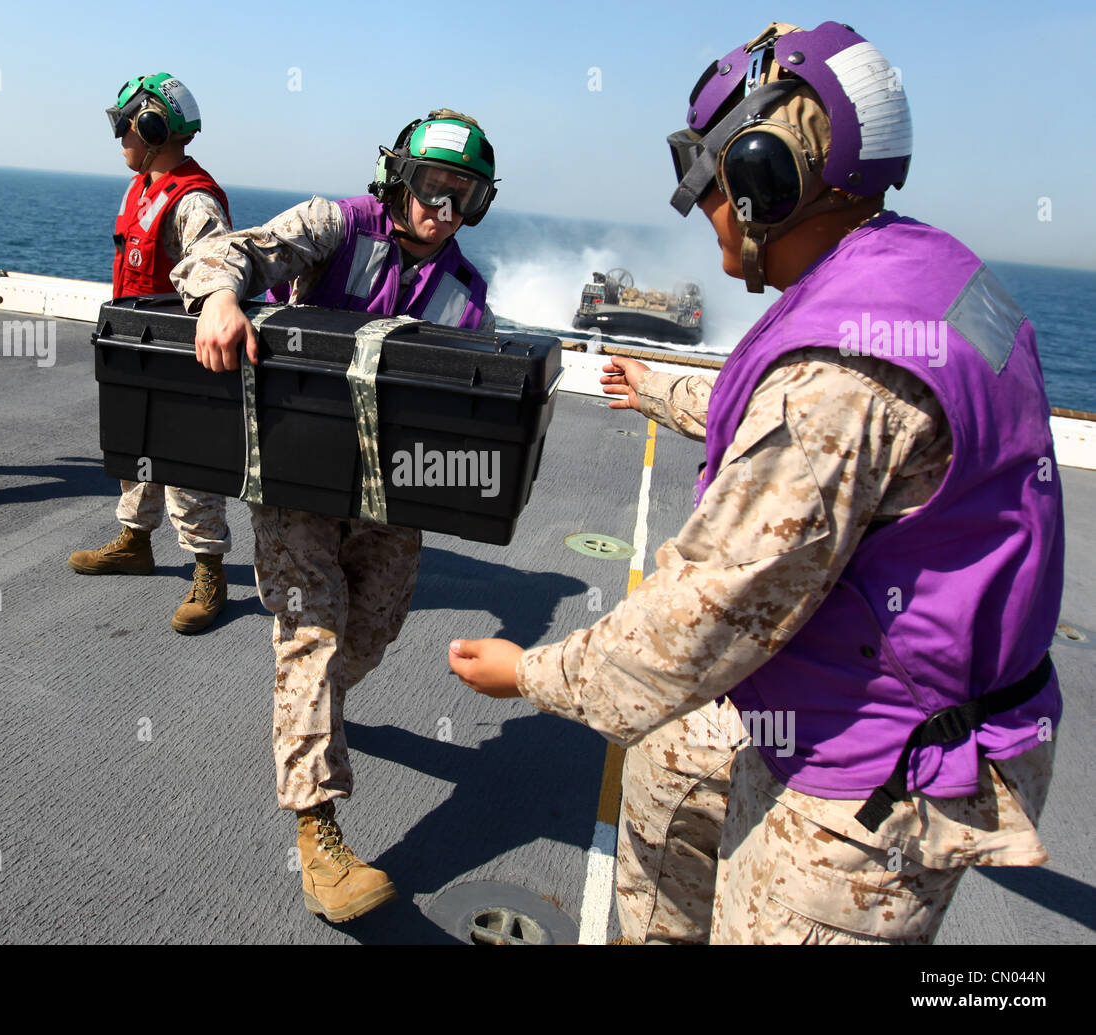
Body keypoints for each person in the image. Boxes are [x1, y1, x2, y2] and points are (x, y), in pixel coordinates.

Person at [449, 21, 1063, 944]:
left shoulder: (846, 375)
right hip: (877, 684)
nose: (712, 221)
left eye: (716, 193)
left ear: (766, 176)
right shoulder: (920, 273)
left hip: (879, 768)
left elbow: (702, 616)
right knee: (663, 759)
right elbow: (812, 436)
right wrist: (659, 388)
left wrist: (532, 672)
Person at [172, 109, 498, 921]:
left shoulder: (466, 296)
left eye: (464, 195)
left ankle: (310, 703)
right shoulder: (335, 227)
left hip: (389, 494)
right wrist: (218, 297)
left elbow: (472, 405)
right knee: (312, 631)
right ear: (398, 180)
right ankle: (319, 836)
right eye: (431, 187)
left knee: (371, 630)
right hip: (297, 473)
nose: (443, 209)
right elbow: (227, 250)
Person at [67, 74, 235, 635]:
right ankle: (135, 543)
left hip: (178, 358)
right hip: (133, 348)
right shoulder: (141, 187)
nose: (120, 139)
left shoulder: (195, 201)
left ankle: (209, 570)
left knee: (187, 466)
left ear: (152, 129)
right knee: (131, 450)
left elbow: (216, 274)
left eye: (125, 127)